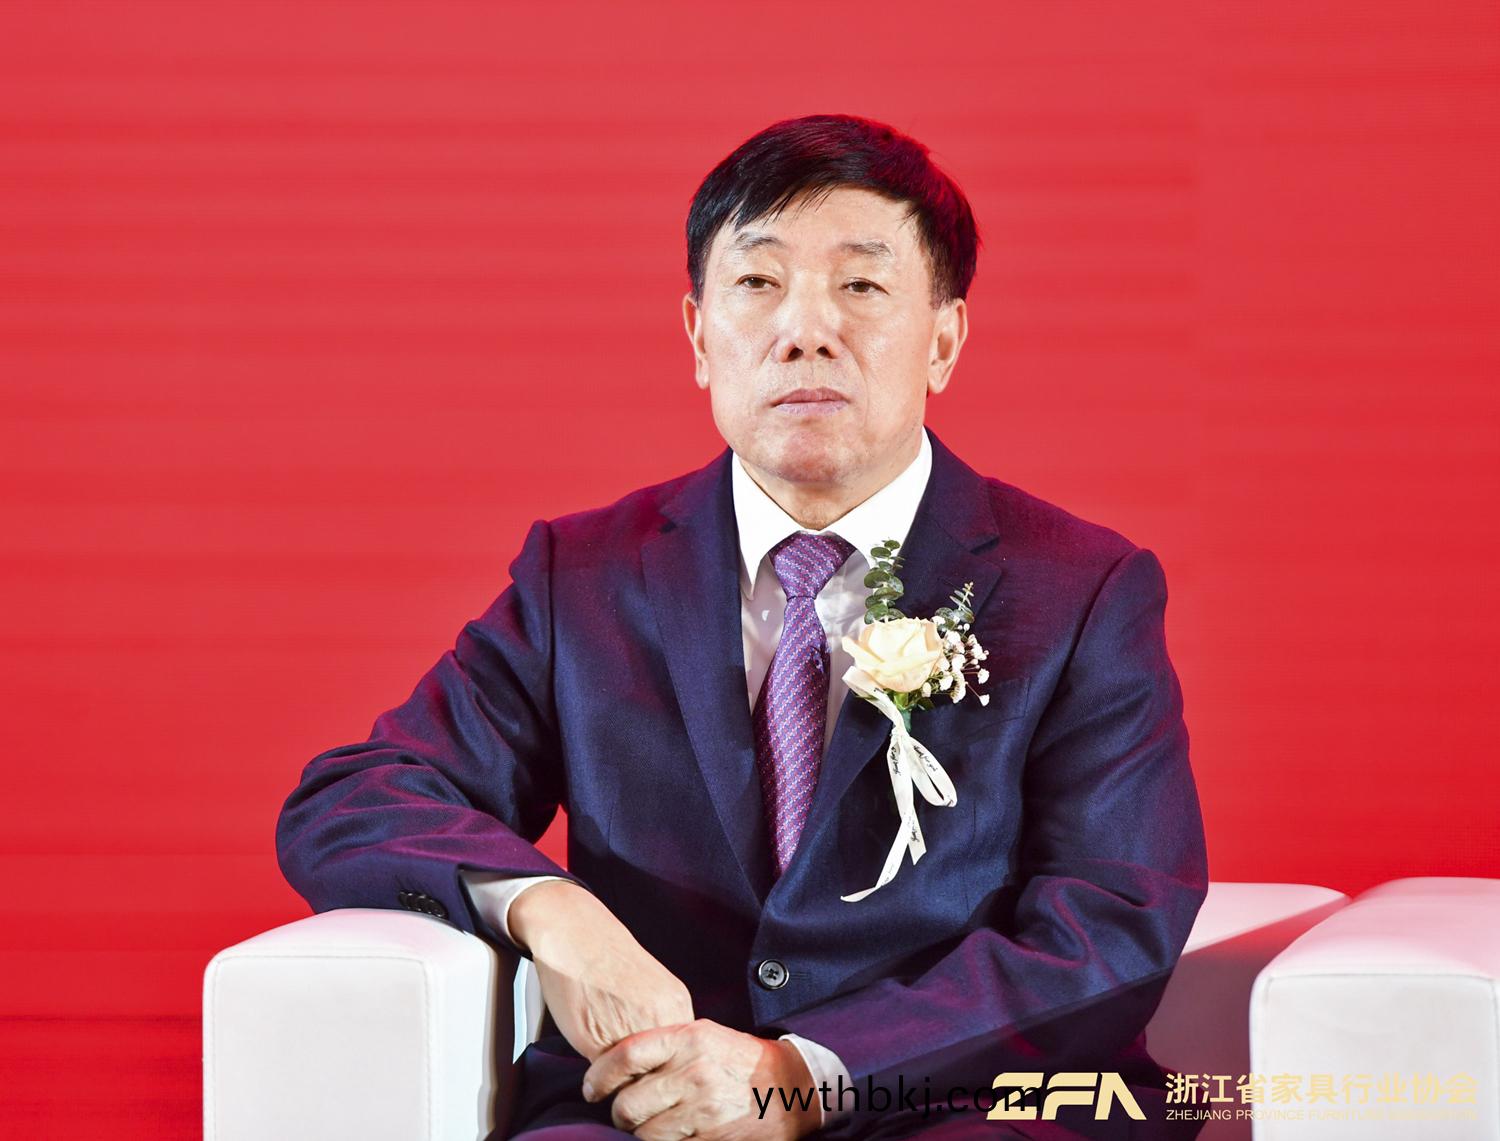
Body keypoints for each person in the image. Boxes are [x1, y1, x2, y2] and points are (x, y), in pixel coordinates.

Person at [276, 113, 1209, 1141]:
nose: (805, 330)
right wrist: (549, 908)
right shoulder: (582, 573)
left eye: (862, 286)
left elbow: (1113, 924)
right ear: (697, 336)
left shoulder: (1080, 587)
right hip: (646, 1106)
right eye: (759, 282)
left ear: (944, 340)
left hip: (953, 1100)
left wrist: (801, 1077)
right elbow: (357, 797)